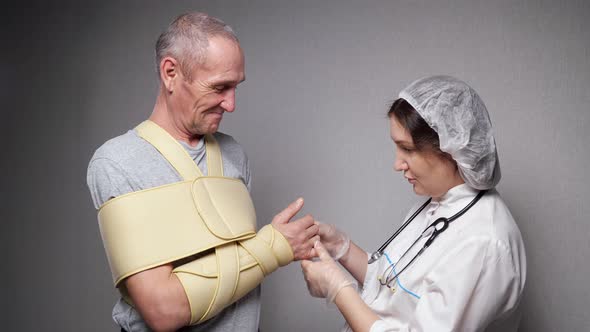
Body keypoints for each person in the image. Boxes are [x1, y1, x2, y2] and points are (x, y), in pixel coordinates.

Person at [87, 12, 319, 332]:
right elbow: (163, 311)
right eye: (219, 87)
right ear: (171, 72)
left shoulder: (233, 154)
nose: (231, 104)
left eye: (236, 87)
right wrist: (274, 247)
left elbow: (236, 276)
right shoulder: (118, 162)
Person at [301, 75, 526, 332]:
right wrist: (342, 249)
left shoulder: (483, 244)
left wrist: (338, 290)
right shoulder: (438, 202)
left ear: (450, 148)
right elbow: (396, 291)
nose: (397, 164)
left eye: (407, 149)